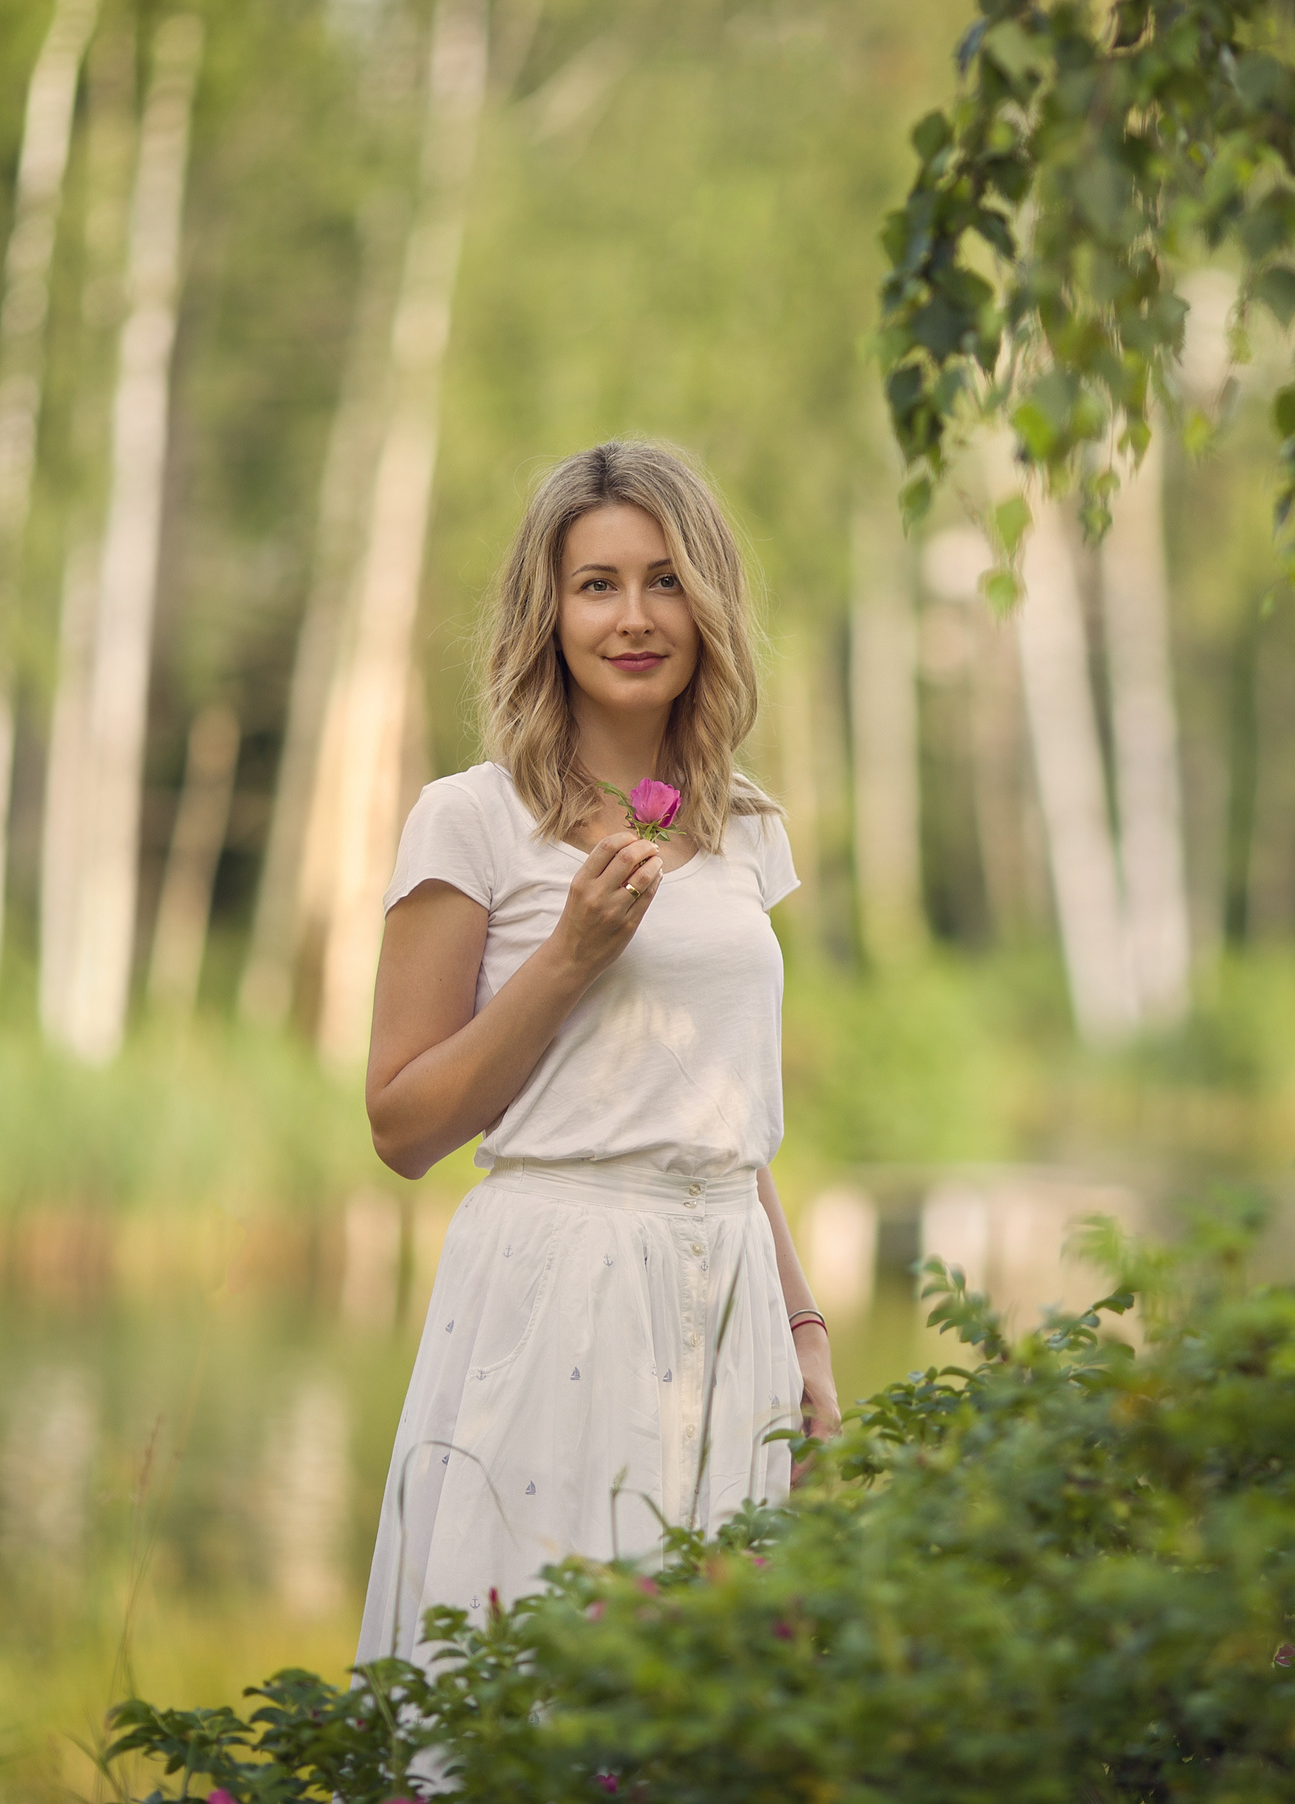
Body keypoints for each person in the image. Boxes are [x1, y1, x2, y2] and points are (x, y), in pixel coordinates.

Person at [352, 440, 839, 1663]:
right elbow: (403, 1126)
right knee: (534, 1680)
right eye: (598, 584)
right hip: (557, 1287)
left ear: (710, 604)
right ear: (548, 611)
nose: (635, 617)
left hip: (724, 1296)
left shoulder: (745, 829)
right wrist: (569, 952)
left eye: (666, 581)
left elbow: (727, 1118)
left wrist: (805, 1333)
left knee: (706, 1695)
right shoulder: (471, 818)